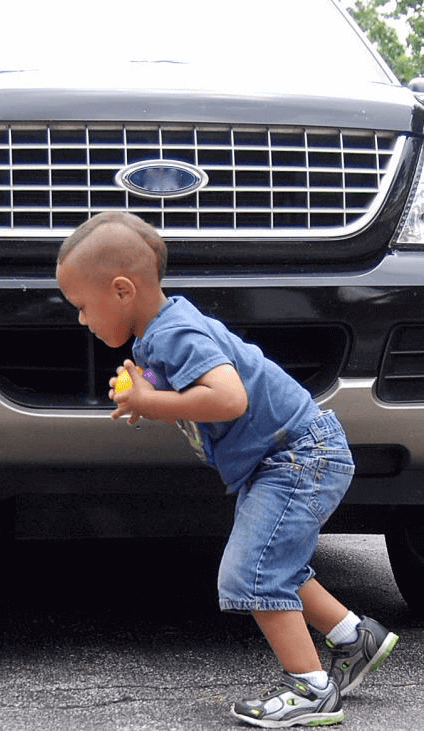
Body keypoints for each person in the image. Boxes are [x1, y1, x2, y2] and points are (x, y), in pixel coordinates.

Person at [55, 211, 398, 728]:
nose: (80, 320)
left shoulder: (175, 334)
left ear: (122, 290)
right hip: (287, 457)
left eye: (82, 307)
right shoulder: (160, 331)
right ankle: (354, 637)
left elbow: (229, 398)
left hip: (297, 456)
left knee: (253, 571)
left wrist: (150, 402)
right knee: (276, 564)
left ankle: (311, 690)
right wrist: (145, 391)